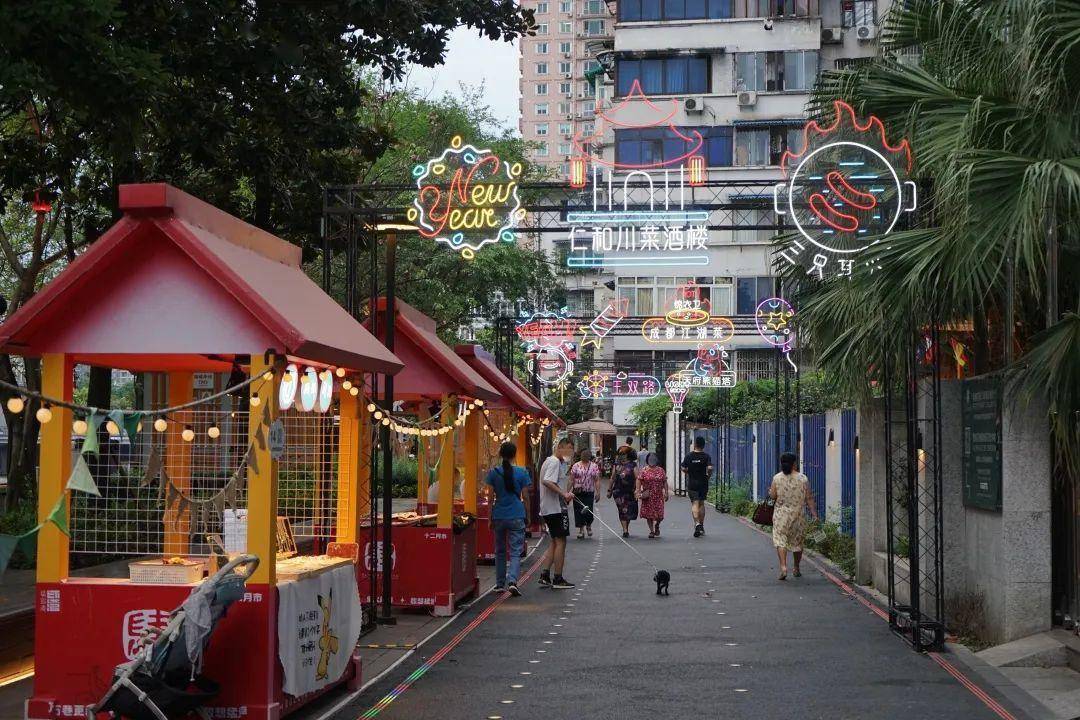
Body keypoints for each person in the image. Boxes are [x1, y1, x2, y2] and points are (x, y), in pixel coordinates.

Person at [485, 442, 532, 595]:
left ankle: (499, 584)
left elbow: (490, 498)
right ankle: (512, 580)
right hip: (517, 514)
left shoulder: (493, 473)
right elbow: (525, 496)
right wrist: (528, 516)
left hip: (499, 515)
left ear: (500, 454)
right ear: (514, 454)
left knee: (499, 551)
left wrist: (489, 518)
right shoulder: (522, 472)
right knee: (515, 551)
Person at [770, 451, 819, 580]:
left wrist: (771, 492)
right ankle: (796, 568)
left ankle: (783, 567)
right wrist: (814, 515)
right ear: (794, 464)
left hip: (781, 515)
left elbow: (773, 496)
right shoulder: (803, 478)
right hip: (798, 515)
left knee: (780, 540)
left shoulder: (777, 478)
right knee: (797, 542)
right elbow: (809, 498)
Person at [538, 437, 577, 589]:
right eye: (567, 448)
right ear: (560, 447)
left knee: (555, 540)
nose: (569, 452)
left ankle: (545, 574)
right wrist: (564, 494)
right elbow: (547, 481)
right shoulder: (554, 462)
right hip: (555, 509)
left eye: (571, 449)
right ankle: (558, 578)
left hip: (549, 508)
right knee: (561, 541)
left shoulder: (551, 461)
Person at [681, 436, 713, 538]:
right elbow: (710, 467)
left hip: (692, 483)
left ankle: (697, 523)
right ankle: (702, 526)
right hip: (703, 482)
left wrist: (688, 472)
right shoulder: (706, 456)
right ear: (703, 445)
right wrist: (708, 476)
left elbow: (683, 467)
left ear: (695, 444)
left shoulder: (689, 456)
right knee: (702, 503)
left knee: (695, 503)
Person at [569, 449, 600, 539]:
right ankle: (581, 530)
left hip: (589, 491)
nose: (585, 456)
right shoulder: (576, 466)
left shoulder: (594, 466)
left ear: (589, 456)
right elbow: (571, 479)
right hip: (577, 492)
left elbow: (597, 480)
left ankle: (589, 526)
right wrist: (568, 492)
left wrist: (598, 492)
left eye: (586, 455)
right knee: (578, 511)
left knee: (588, 510)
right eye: (583, 455)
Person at [637, 452, 669, 538]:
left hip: (658, 495)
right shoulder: (644, 470)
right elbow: (639, 480)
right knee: (649, 514)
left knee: (660, 515)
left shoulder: (661, 470)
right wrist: (638, 491)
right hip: (648, 495)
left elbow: (664, 481)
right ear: (647, 460)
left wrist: (666, 492)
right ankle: (651, 531)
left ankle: (657, 524)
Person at [607, 450, 639, 537]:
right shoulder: (616, 465)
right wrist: (609, 490)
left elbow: (637, 477)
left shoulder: (633, 465)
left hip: (630, 491)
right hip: (618, 491)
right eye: (621, 455)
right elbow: (612, 477)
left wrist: (637, 489)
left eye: (624, 454)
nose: (622, 456)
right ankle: (625, 530)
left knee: (628, 511)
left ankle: (626, 527)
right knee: (622, 510)